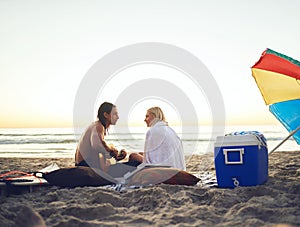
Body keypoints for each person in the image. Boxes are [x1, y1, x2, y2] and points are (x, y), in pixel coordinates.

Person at [75, 102, 139, 177]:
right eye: (115, 114)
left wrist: (116, 157)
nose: (117, 117)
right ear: (106, 115)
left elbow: (101, 156)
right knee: (135, 163)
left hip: (87, 164)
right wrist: (111, 149)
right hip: (87, 166)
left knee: (132, 163)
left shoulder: (97, 126)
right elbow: (97, 145)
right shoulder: (98, 126)